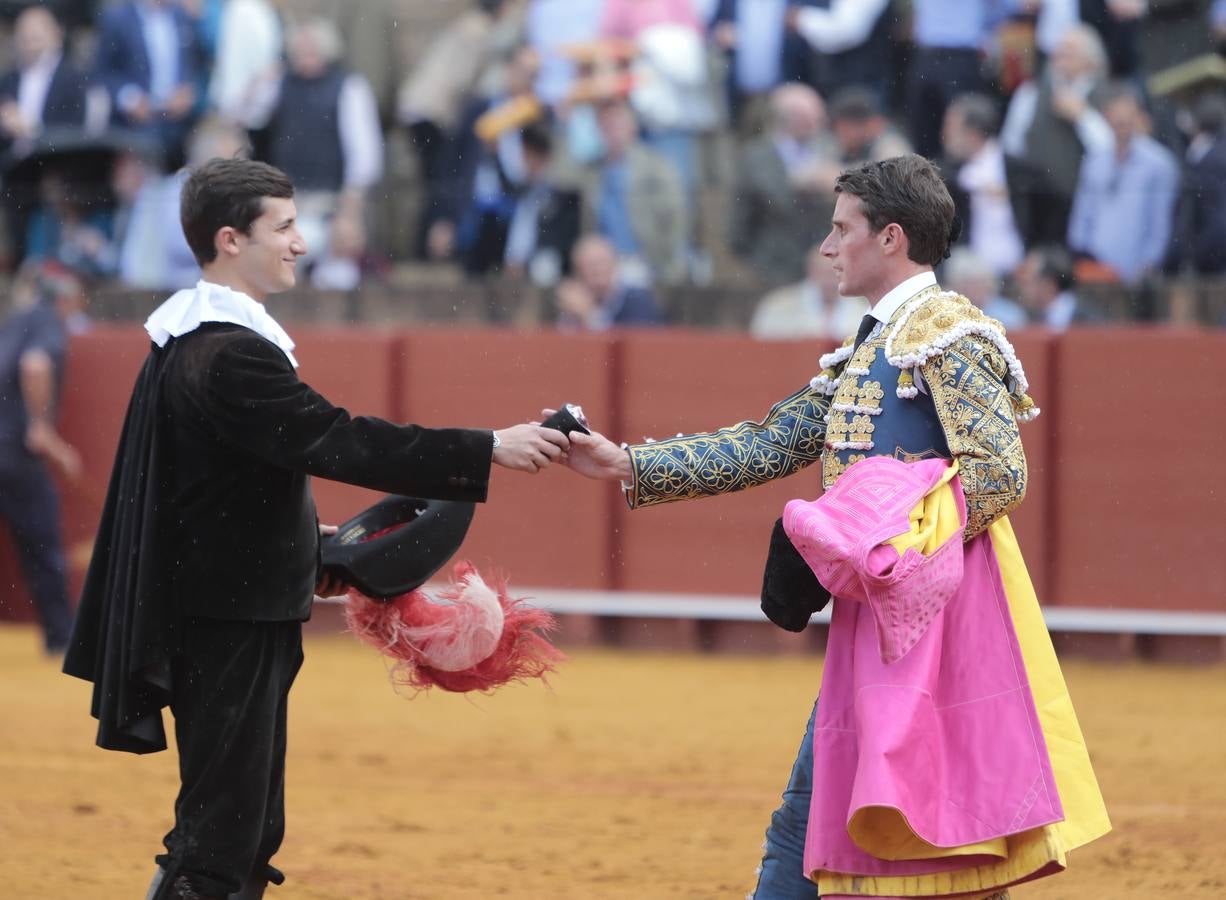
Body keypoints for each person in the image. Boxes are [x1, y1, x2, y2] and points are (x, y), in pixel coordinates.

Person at [562, 154, 1109, 897]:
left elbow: (998, 471)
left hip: (936, 622)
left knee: (866, 815)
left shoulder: (949, 334)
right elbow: (773, 441)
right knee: (887, 817)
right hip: (885, 619)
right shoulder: (877, 343)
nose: (826, 247)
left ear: (890, 238)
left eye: (840, 229)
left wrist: (876, 543)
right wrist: (628, 463)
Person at [62, 157, 569, 900]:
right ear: (231, 240)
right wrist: (487, 446)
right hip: (227, 620)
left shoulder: (193, 338)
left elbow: (217, 488)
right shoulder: (228, 352)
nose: (303, 242)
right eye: (287, 227)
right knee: (222, 836)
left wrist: (309, 546)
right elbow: (337, 440)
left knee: (240, 826)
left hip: (230, 607)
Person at [0, 261, 85, 656]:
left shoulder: (15, 321)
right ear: (64, 299)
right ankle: (60, 636)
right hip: (14, 450)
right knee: (41, 545)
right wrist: (42, 429)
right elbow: (35, 364)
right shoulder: (47, 321)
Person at [1067, 82, 1179, 284]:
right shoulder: (1095, 160)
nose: (1121, 123)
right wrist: (1080, 256)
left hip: (1136, 274)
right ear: (1106, 118)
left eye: (1126, 118)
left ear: (1138, 116)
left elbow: (1160, 224)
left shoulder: (1159, 164)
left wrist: (1148, 265)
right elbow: (1082, 214)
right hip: (1095, 271)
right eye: (1116, 118)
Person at [749, 243, 867, 340]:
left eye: (834, 272)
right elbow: (761, 349)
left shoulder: (864, 309)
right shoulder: (777, 307)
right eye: (823, 272)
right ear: (811, 270)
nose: (829, 281)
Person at [555, 233, 664, 329]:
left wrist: (589, 315)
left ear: (614, 264)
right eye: (589, 265)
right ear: (578, 272)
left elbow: (632, 345)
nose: (597, 270)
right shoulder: (576, 302)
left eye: (601, 262)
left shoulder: (638, 300)